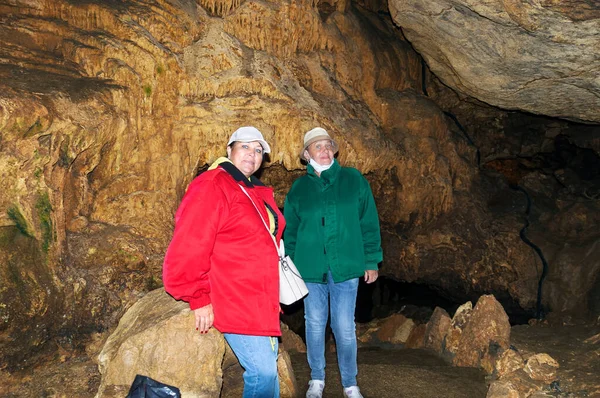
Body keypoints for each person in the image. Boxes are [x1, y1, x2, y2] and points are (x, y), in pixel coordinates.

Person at [163, 126, 285, 398]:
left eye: (258, 150)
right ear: (229, 150)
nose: (252, 155)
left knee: (269, 372)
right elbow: (191, 241)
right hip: (234, 295)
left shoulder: (248, 189)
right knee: (262, 372)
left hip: (260, 298)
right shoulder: (214, 184)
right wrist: (197, 295)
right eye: (245, 147)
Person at [283, 127, 383, 398]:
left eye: (328, 145)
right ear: (306, 154)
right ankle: (317, 379)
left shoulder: (353, 180)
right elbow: (289, 231)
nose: (325, 150)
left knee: (343, 326)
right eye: (318, 147)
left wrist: (371, 260)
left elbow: (368, 223)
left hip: (346, 266)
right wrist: (290, 265)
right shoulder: (299, 188)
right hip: (310, 269)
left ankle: (350, 383)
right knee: (315, 324)